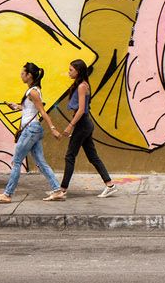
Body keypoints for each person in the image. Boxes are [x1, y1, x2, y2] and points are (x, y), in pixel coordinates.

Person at [0, 62, 63, 203]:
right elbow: (30, 109)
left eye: (23, 73)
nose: (21, 75)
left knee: (16, 161)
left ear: (29, 75)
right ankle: (57, 190)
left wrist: (53, 128)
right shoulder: (32, 91)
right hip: (33, 130)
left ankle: (7, 194)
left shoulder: (33, 92)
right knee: (41, 162)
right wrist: (17, 106)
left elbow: (42, 111)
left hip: (30, 131)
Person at [45, 59, 115, 200]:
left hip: (82, 125)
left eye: (71, 70)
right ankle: (110, 185)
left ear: (78, 71)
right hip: (84, 125)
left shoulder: (82, 86)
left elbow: (82, 109)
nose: (68, 72)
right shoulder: (80, 85)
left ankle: (62, 190)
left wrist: (70, 125)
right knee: (92, 157)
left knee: (70, 156)